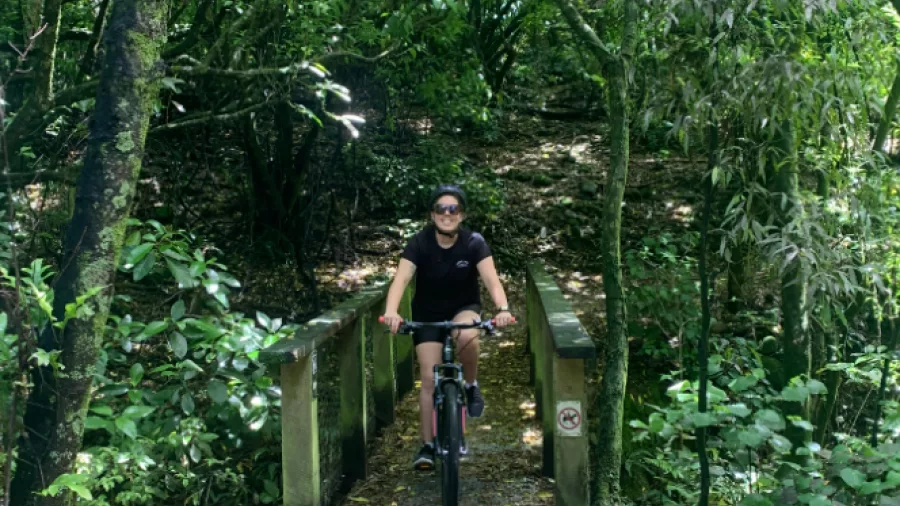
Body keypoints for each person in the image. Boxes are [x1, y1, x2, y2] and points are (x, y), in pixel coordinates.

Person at [382, 184, 514, 471]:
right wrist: (391, 312)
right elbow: (401, 279)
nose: (447, 214)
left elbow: (492, 281)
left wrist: (502, 309)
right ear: (432, 214)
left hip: (463, 308)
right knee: (429, 380)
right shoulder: (419, 243)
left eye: (453, 209)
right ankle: (427, 446)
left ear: (462, 214)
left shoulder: (474, 242)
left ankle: (470, 385)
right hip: (427, 314)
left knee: (467, 332)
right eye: (441, 208)